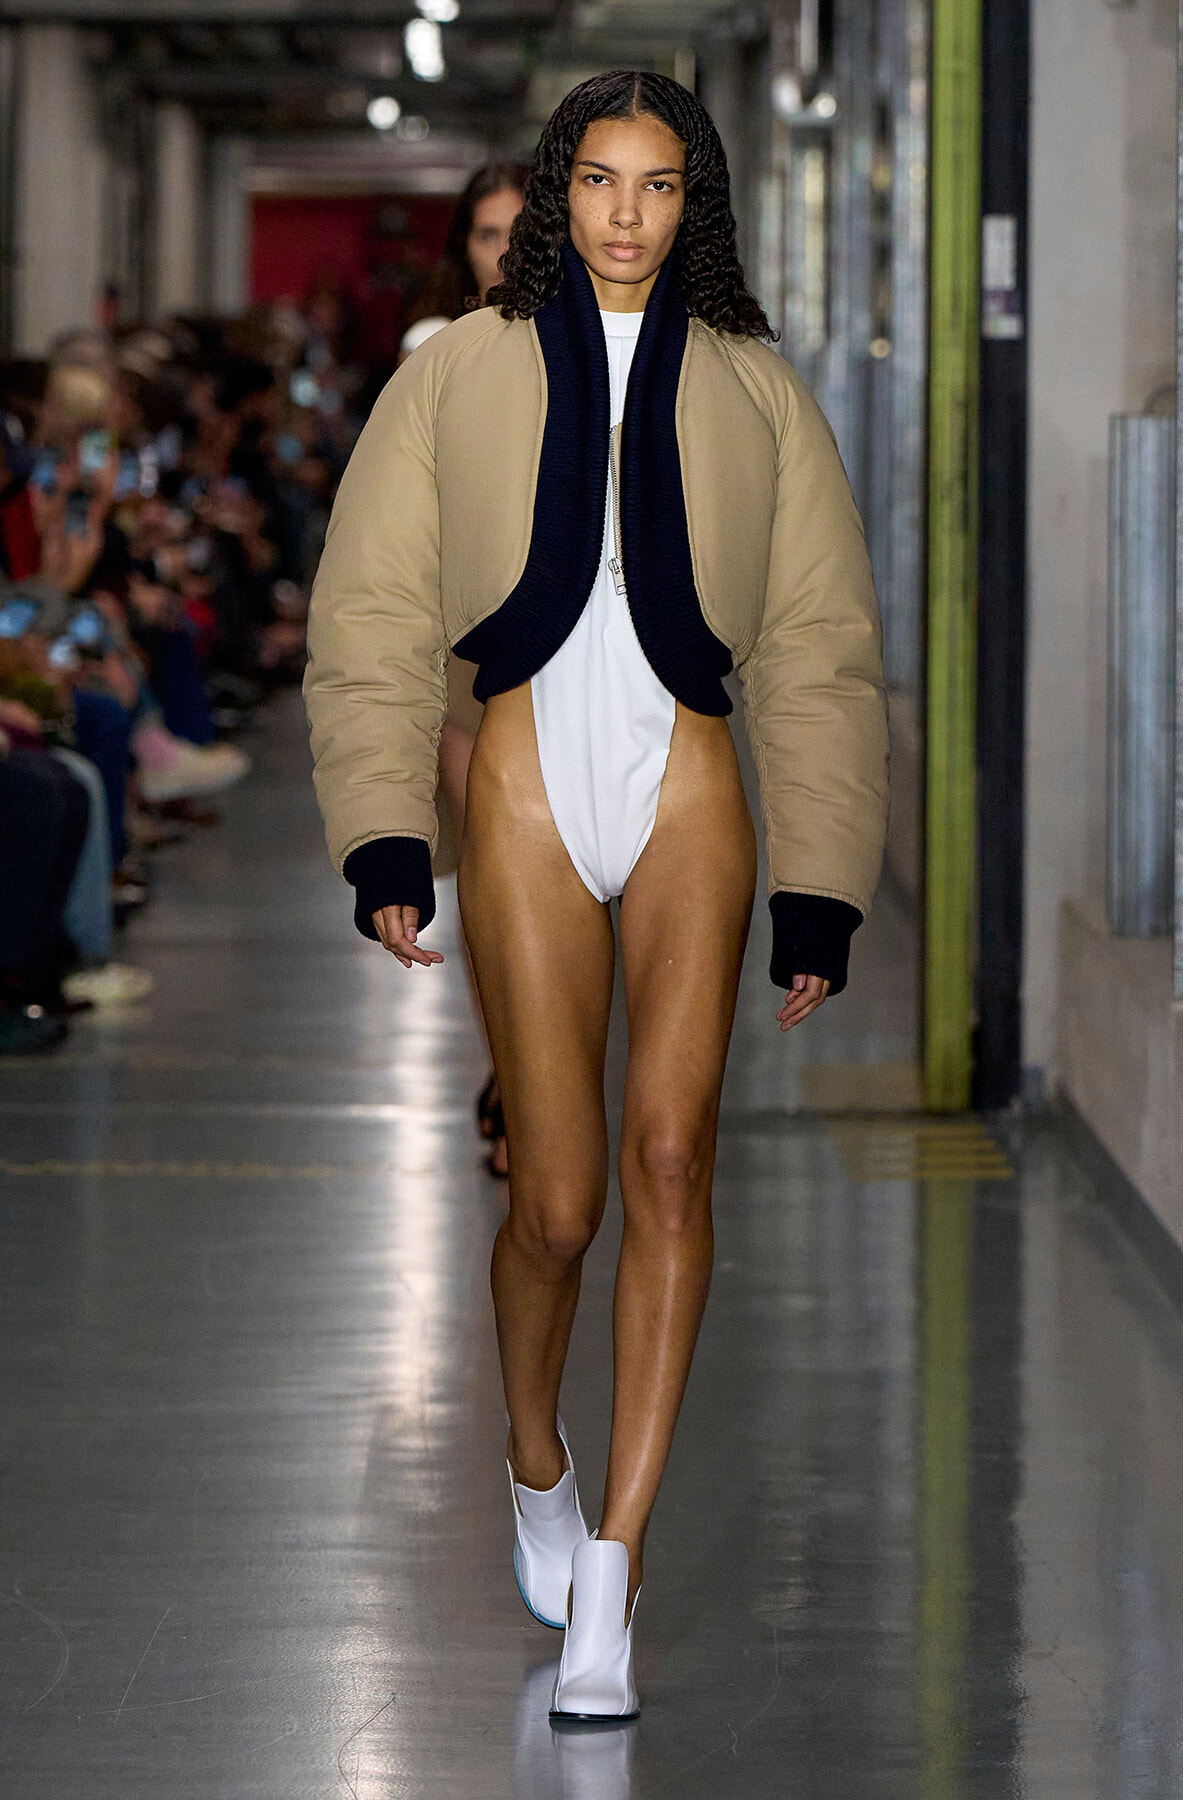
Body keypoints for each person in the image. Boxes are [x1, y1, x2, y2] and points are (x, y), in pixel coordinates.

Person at [305, 71, 889, 1721]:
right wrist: (382, 836)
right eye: (599, 181)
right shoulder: (456, 375)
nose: (626, 213)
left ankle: (615, 1570)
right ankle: (537, 1460)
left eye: (659, 184)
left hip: (688, 776)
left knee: (674, 1160)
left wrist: (823, 885)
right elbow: (370, 610)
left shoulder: (759, 387)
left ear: (696, 202)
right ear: (560, 193)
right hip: (524, 777)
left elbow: (821, 645)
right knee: (556, 1203)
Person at [401, 162, 531, 1178]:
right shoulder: (434, 360)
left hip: (589, 652)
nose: (508, 252)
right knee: (496, 883)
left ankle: (544, 1080)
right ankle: (519, 1087)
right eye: (488, 234)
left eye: (524, 231)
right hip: (465, 651)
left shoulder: (614, 350)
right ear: (465, 251)